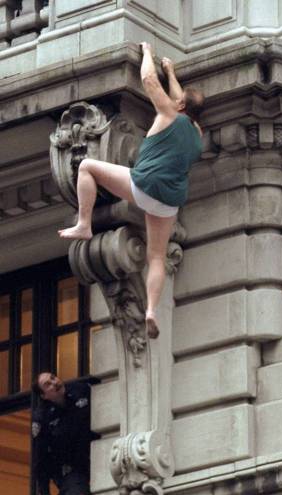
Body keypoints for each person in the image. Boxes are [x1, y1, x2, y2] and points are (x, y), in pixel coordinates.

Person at [58, 43, 204, 339]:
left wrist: (148, 55)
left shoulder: (167, 114)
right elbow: (181, 99)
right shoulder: (197, 135)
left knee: (86, 166)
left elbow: (149, 80)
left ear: (179, 105)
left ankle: (84, 223)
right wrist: (172, 71)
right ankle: (151, 308)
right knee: (156, 258)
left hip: (144, 185)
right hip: (169, 203)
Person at [31, 372, 100, 495]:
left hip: (96, 454)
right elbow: (41, 458)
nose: (55, 382)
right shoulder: (42, 418)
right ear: (43, 395)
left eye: (53, 377)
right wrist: (45, 494)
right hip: (70, 467)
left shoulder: (81, 390)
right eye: (48, 384)